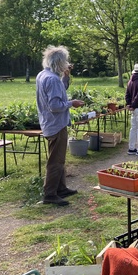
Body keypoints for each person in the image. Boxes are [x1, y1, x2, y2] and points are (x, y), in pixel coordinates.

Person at [36, 45, 84, 206]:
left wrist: (65, 76)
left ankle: (61, 188)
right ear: (59, 62)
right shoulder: (51, 79)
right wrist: (73, 103)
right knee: (56, 160)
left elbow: (59, 91)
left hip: (49, 123)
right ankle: (50, 194)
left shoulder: (43, 75)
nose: (67, 63)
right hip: (56, 124)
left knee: (59, 158)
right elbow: (55, 105)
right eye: (65, 61)